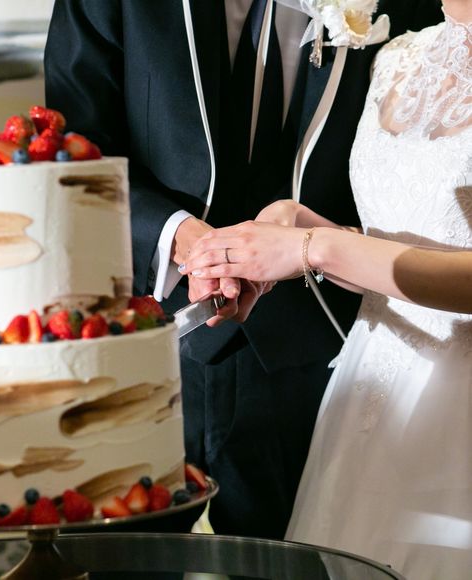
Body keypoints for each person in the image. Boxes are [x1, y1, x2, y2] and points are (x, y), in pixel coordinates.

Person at [44, 0, 442, 539]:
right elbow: (75, 145)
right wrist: (184, 240)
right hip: (148, 334)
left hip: (319, 353)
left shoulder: (396, 7)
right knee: (123, 559)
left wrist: (313, 246)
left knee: (291, 565)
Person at [181, 1, 472, 577]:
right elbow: (407, 238)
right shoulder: (398, 54)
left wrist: (315, 250)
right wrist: (298, 227)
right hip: (372, 395)